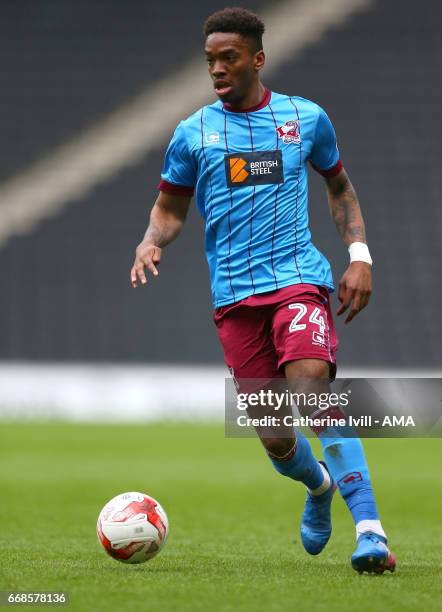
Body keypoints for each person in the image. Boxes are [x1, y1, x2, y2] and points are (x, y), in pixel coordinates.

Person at [131, 7, 395, 574]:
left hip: (299, 281)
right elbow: (170, 209)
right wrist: (151, 241)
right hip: (234, 299)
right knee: (276, 439)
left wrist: (359, 255)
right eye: (210, 61)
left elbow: (340, 189)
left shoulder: (305, 119)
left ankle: (371, 531)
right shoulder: (192, 133)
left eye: (229, 58)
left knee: (312, 393)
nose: (218, 69)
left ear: (257, 59)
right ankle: (319, 486)